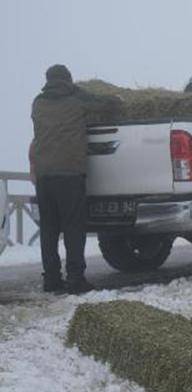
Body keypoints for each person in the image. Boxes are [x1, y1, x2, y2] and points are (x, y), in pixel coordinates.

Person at [30, 64, 118, 294]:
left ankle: (51, 279)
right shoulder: (77, 100)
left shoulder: (37, 103)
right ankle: (75, 279)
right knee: (73, 228)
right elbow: (106, 105)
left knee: (49, 229)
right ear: (68, 80)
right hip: (69, 174)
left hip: (43, 175)